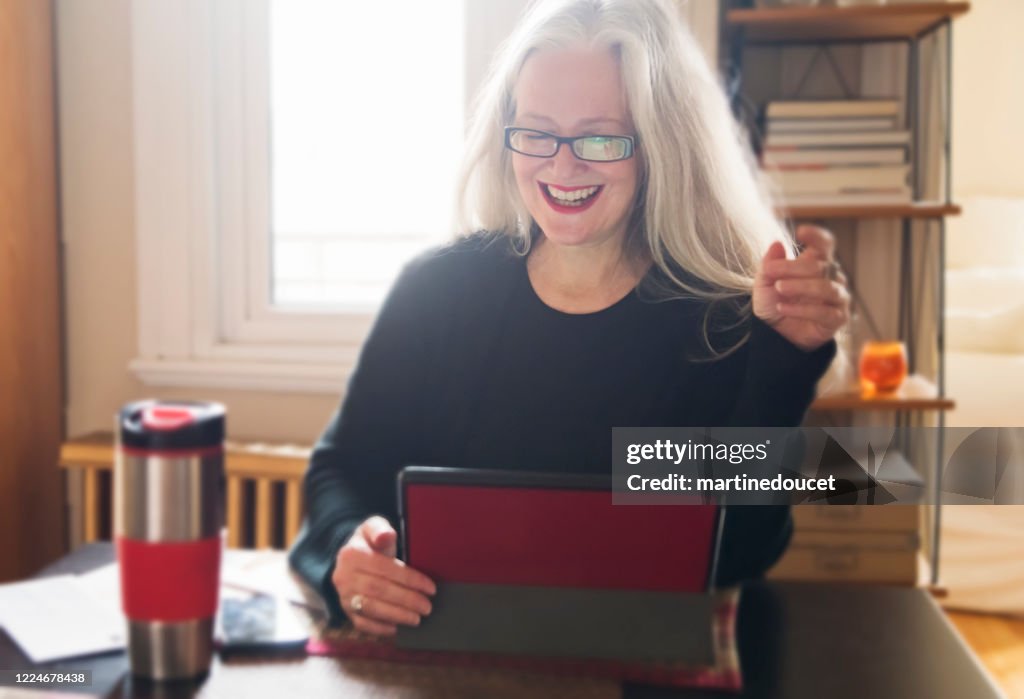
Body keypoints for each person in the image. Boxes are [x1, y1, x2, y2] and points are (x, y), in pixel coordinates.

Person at [288, 0, 849, 637]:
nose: (561, 165)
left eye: (599, 136)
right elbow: (341, 468)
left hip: (633, 670)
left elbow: (737, 551)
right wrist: (347, 553)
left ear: (656, 146)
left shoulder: (719, 324)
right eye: (536, 131)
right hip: (446, 666)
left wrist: (785, 364)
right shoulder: (435, 295)